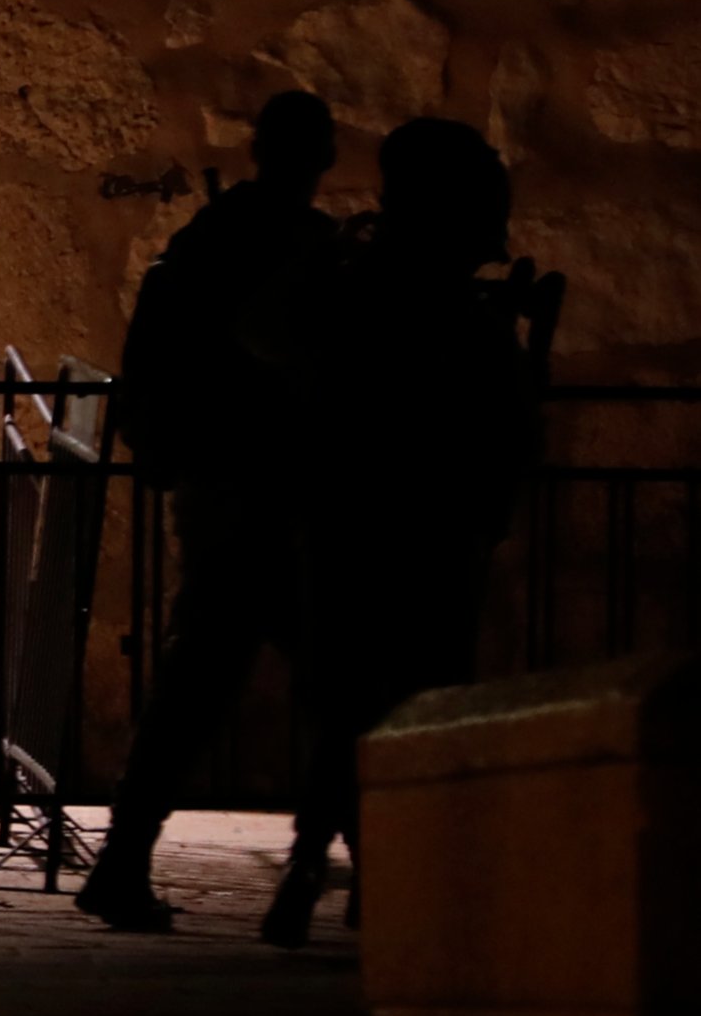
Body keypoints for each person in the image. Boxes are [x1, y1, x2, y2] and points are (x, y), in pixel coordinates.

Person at [269, 117, 540, 947]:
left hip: (361, 513)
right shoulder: (416, 294)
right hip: (415, 518)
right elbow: (485, 404)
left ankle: (322, 866)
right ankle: (369, 873)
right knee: (406, 699)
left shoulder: (366, 277)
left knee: (353, 699)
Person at [78, 90, 342, 933]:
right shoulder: (296, 246)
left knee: (203, 683)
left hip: (228, 488)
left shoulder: (211, 240)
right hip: (273, 491)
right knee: (336, 687)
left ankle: (128, 859)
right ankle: (320, 877)